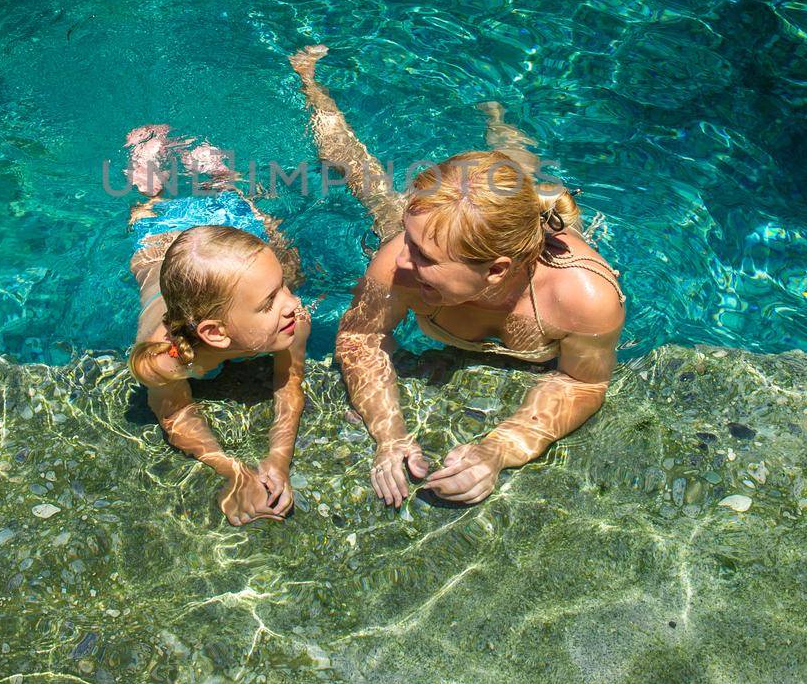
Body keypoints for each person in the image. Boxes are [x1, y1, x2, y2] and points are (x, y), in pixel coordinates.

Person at [289, 47, 625, 506]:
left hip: (523, 258)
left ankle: (499, 116)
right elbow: (361, 338)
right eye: (408, 242)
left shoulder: (582, 297)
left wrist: (499, 450)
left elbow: (583, 382)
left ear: (496, 271)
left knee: (519, 178)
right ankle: (312, 86)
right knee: (363, 179)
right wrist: (390, 436)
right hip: (463, 240)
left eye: (423, 256)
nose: (399, 263)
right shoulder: (399, 258)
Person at [123, 124, 310, 526]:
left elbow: (289, 384)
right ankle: (148, 182)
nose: (295, 306)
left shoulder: (290, 320)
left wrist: (278, 461)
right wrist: (234, 472)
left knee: (284, 256)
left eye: (284, 293)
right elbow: (175, 415)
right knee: (147, 212)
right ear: (214, 334)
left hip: (226, 247)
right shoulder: (166, 359)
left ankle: (228, 183)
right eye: (272, 300)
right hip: (160, 247)